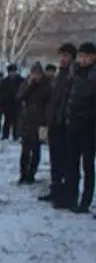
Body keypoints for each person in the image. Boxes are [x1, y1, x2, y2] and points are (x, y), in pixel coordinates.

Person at [57, 42, 96, 213]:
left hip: (89, 128)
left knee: (88, 166)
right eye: (81, 56)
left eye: (86, 56)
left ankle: (85, 201)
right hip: (72, 125)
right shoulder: (75, 74)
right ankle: (70, 197)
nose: (83, 59)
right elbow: (67, 99)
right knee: (71, 164)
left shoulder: (93, 75)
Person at [39, 44, 77, 203]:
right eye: (61, 56)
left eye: (66, 56)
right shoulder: (59, 75)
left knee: (66, 162)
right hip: (54, 123)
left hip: (66, 125)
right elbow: (52, 100)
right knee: (55, 161)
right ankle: (55, 190)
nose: (62, 59)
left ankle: (66, 195)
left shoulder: (73, 75)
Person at [15, 63, 51, 184]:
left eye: (38, 74)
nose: (35, 76)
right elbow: (19, 97)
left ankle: (31, 174)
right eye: (33, 73)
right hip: (26, 120)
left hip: (40, 121)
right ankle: (23, 173)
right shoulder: (26, 83)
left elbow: (47, 99)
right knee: (25, 150)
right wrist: (30, 85)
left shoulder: (46, 85)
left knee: (36, 150)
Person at [0, 64, 24, 141]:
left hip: (17, 103)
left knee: (17, 121)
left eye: (14, 71)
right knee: (7, 121)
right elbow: (0, 92)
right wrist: (5, 97)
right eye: (11, 72)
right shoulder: (4, 81)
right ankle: (5, 135)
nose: (12, 73)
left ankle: (16, 135)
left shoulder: (21, 80)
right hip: (8, 104)